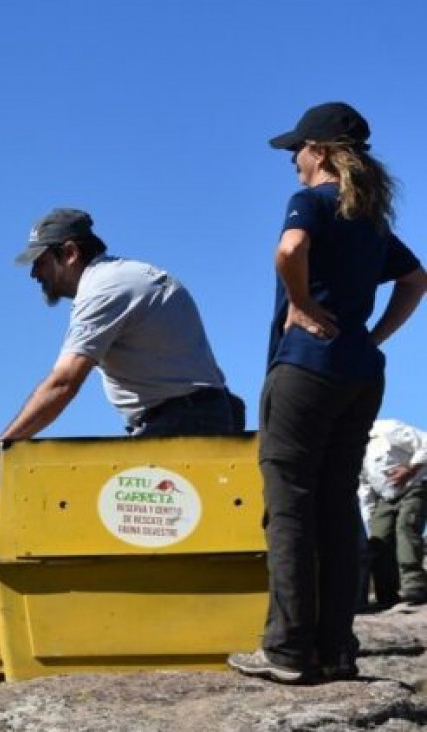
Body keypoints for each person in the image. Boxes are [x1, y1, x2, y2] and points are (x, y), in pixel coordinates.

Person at [228, 102, 427, 685]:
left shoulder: (313, 201)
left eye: (297, 149)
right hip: (362, 372)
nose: (292, 159)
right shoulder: (370, 220)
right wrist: (373, 333)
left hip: (305, 370)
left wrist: (304, 305)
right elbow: (417, 280)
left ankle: (287, 650)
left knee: (290, 507)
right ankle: (337, 650)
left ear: (318, 151)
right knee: (339, 507)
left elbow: (290, 250)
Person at [0, 208, 241, 497]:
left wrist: (0, 449)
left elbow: (63, 383)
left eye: (40, 262)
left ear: (69, 253)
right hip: (197, 415)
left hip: (181, 424)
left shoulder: (103, 290)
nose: (34, 274)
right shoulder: (124, 275)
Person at [361, 418, 427, 607]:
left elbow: (425, 443)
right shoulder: (355, 448)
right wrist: (371, 518)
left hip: (414, 486)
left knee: (406, 528)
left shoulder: (387, 429)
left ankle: (414, 585)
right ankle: (386, 593)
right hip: (385, 497)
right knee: (378, 540)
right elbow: (365, 489)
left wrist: (409, 469)